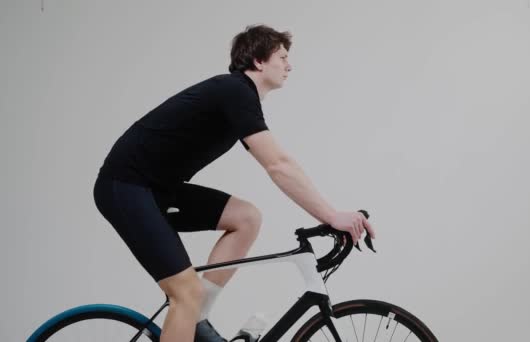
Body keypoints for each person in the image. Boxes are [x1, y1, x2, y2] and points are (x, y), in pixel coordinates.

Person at [93, 24, 375, 342]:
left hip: (159, 189)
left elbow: (280, 164)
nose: (289, 65)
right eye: (282, 57)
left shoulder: (239, 98)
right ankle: (190, 306)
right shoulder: (234, 91)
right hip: (126, 187)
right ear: (258, 61)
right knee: (184, 292)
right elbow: (278, 166)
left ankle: (196, 319)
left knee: (246, 217)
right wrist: (332, 215)